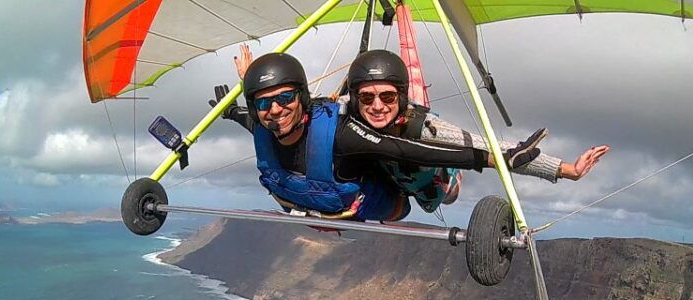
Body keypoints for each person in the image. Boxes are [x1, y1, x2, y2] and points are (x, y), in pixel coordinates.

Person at [211, 48, 566, 221]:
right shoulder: (262, 125)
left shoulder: (344, 135)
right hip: (326, 205)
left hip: (392, 191)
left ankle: (450, 183)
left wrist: (496, 159)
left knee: (432, 180)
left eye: (285, 98)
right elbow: (253, 117)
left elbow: (410, 151)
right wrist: (236, 103)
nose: (275, 110)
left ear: (301, 97)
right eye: (264, 103)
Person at [344, 49, 610, 213]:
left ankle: (454, 176)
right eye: (367, 98)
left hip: (435, 183)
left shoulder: (427, 129)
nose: (377, 106)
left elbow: (497, 151)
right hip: (391, 181)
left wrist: (567, 170)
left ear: (401, 97)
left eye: (388, 97)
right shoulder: (351, 118)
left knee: (448, 194)